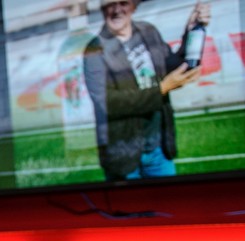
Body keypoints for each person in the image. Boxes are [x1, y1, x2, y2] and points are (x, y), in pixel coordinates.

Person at [83, 0, 210, 181]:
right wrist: (163, 88)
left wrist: (193, 31)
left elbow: (174, 66)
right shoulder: (94, 49)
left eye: (123, 3)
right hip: (123, 155)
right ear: (102, 9)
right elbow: (108, 103)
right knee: (128, 202)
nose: (117, 10)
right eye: (110, 4)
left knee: (168, 200)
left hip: (158, 149)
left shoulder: (149, 31)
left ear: (133, 6)